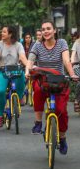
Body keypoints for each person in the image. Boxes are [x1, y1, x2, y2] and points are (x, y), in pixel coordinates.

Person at [25, 20, 78, 155]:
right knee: (36, 89)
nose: (46, 31)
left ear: (54, 30)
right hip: (43, 80)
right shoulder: (37, 45)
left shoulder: (62, 43)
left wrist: (72, 74)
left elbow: (66, 60)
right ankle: (38, 122)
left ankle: (62, 137)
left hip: (59, 80)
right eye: (43, 29)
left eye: (48, 29)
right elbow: (30, 60)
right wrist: (27, 70)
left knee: (62, 111)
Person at [0, 25, 27, 128]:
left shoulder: (18, 45)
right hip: (1, 70)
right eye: (2, 32)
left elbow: (22, 57)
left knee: (22, 79)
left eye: (4, 32)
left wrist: (28, 65)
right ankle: (1, 115)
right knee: (1, 91)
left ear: (10, 34)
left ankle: (18, 100)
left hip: (15, 70)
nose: (2, 33)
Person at [70, 33, 80, 112]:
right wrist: (72, 61)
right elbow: (73, 55)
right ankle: (77, 99)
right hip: (77, 66)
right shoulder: (76, 43)